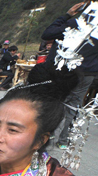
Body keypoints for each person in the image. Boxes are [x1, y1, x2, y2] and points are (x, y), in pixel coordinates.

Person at [42, 1, 98, 149]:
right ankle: (63, 140)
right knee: (74, 104)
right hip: (88, 73)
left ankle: (49, 131)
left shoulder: (77, 23)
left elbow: (47, 34)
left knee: (58, 98)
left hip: (68, 69)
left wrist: (67, 15)